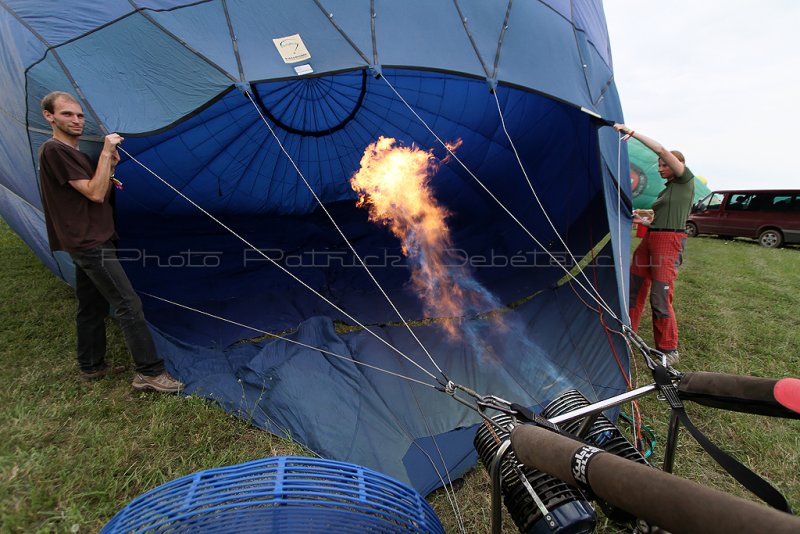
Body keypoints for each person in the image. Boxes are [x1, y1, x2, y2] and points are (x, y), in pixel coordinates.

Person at [38, 91, 184, 393]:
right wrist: (105, 152)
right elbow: (93, 192)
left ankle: (91, 365)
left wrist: (111, 165)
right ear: (49, 116)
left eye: (79, 115)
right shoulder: (54, 151)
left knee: (91, 304)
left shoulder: (74, 153)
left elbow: (100, 192)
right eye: (67, 114)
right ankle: (149, 372)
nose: (76, 120)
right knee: (128, 303)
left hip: (93, 236)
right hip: (89, 242)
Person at [615, 124, 695, 366]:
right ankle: (628, 335)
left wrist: (631, 132)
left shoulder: (685, 180)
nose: (661, 168)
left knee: (660, 296)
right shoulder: (668, 189)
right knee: (634, 288)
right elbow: (660, 217)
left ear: (676, 165)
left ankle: (668, 349)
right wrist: (641, 219)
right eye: (659, 165)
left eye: (664, 164)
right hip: (652, 237)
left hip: (668, 242)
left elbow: (660, 148)